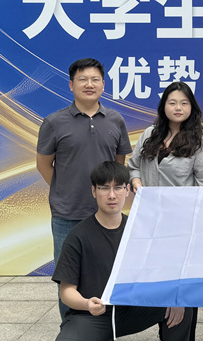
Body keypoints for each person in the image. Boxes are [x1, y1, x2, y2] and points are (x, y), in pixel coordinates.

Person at [53, 160, 192, 341]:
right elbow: (66, 292)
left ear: (127, 190)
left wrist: (175, 298)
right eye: (104, 188)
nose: (112, 195)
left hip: (133, 309)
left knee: (181, 304)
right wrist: (87, 304)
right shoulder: (78, 236)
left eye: (118, 188)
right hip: (93, 314)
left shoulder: (141, 228)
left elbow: (165, 271)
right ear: (94, 191)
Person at [37, 58, 132, 319]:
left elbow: (118, 166)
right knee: (69, 279)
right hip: (67, 214)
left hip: (107, 215)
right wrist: (66, 189)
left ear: (103, 84)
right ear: (71, 85)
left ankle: (107, 324)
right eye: (82, 79)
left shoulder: (115, 120)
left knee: (108, 272)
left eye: (95, 79)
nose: (89, 84)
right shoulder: (54, 122)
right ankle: (71, 327)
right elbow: (43, 165)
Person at [127, 81, 203, 341]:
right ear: (163, 106)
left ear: (192, 107)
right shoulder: (150, 134)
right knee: (157, 283)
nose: (178, 108)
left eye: (184, 103)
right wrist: (136, 182)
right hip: (149, 224)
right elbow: (133, 166)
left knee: (182, 288)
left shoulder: (200, 142)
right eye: (172, 102)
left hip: (182, 228)